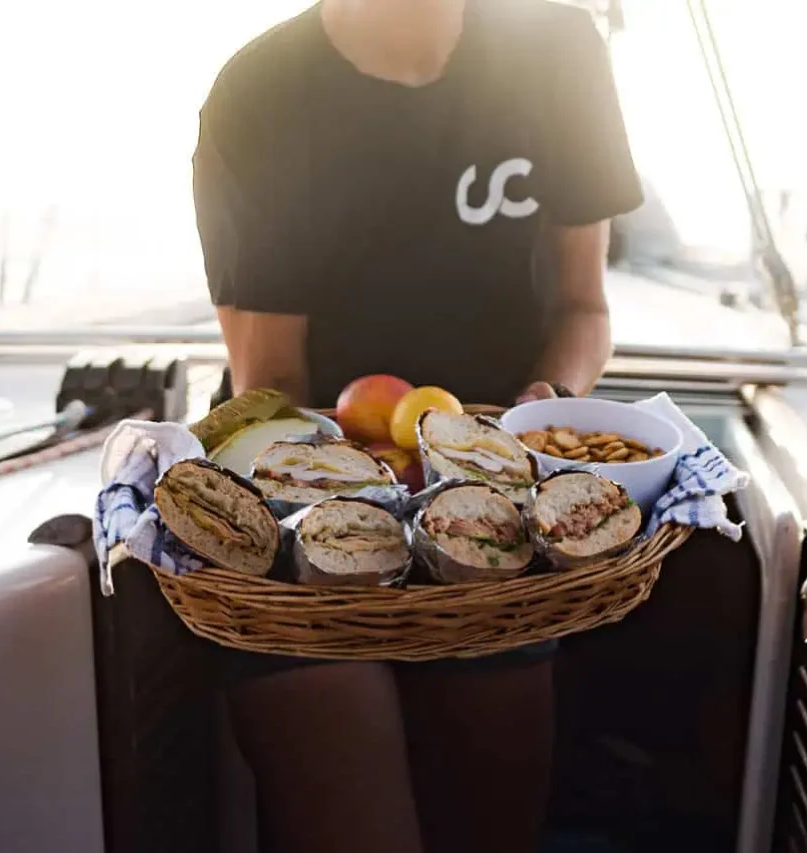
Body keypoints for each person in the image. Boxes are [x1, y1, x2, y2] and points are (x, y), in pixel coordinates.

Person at [191, 1, 641, 851]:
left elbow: (585, 306)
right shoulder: (261, 91)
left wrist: (541, 407)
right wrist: (358, 488)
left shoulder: (556, 47)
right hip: (307, 497)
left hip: (490, 503)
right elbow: (269, 386)